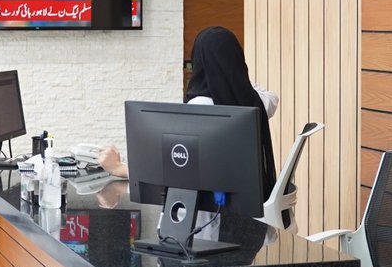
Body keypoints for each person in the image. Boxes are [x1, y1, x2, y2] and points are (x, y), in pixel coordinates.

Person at [98, 26, 279, 201]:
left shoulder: (197, 109)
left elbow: (173, 168)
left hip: (205, 217)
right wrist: (233, 75)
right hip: (255, 213)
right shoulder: (255, 106)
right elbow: (271, 97)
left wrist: (119, 168)